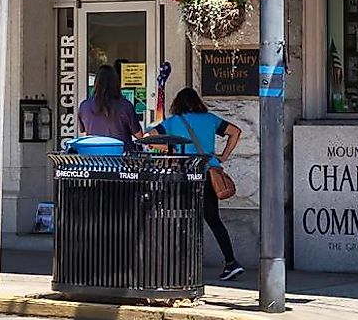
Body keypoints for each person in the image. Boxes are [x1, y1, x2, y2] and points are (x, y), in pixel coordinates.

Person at [156, 87, 245, 282]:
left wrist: (170, 148)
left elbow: (148, 139)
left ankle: (183, 267)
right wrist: (223, 156)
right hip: (207, 173)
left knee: (182, 220)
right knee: (213, 220)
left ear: (177, 103)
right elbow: (235, 132)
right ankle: (231, 262)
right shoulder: (211, 119)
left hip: (184, 176)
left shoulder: (174, 122)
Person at [76, 66, 142, 144]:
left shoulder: (84, 106)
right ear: (116, 83)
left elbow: (83, 131)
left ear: (96, 82)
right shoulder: (125, 105)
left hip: (93, 153)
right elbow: (139, 135)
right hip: (121, 153)